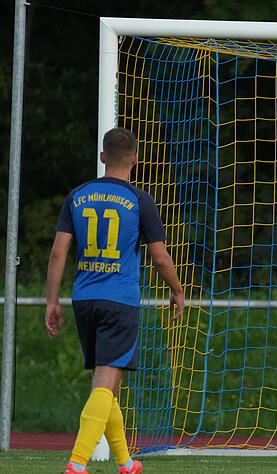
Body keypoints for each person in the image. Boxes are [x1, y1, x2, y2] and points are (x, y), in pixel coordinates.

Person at [46, 127, 185, 474]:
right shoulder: (140, 200)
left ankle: (126, 463)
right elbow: (160, 257)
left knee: (105, 384)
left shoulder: (77, 195)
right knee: (105, 387)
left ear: (103, 157)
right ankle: (77, 464)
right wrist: (178, 290)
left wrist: (52, 301)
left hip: (84, 299)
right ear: (135, 159)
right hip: (119, 301)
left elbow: (58, 253)